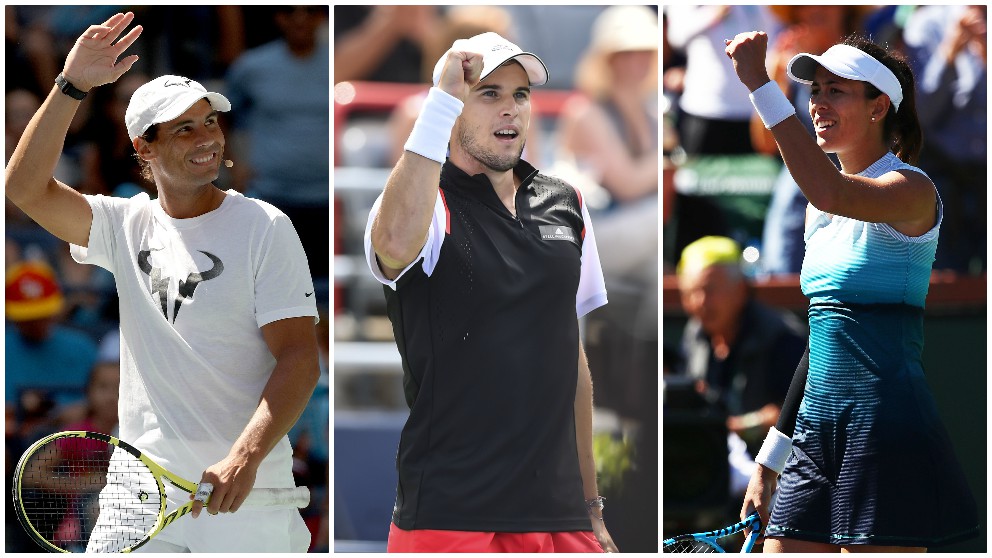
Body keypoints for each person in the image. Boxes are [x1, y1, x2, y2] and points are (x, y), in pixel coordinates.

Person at [4, 12, 320, 553]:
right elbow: (24, 189)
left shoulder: (267, 226)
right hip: (138, 492)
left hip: (248, 493)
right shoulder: (124, 223)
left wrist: (242, 460)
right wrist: (71, 85)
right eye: (183, 129)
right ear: (143, 149)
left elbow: (299, 359)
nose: (206, 140)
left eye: (210, 123)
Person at [725, 30, 980, 551]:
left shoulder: (911, 190)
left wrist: (758, 84)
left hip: (887, 429)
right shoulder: (820, 209)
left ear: (878, 106)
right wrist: (770, 458)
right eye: (813, 90)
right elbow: (821, 345)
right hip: (816, 430)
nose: (817, 102)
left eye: (835, 90)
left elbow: (830, 188)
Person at [364, 32, 617, 553]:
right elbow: (390, 244)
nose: (511, 109)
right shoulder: (422, 203)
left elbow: (572, 361)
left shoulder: (565, 201)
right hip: (449, 516)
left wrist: (591, 509)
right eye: (489, 94)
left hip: (562, 515)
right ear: (453, 106)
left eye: (520, 95)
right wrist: (440, 103)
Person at [676, 236, 806, 457]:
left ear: (741, 290)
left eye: (710, 290)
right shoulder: (694, 334)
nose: (700, 302)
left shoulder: (781, 338)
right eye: (690, 293)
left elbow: (801, 412)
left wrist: (734, 428)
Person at [225, 5, 329, 279]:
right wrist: (233, 164)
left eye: (310, 11)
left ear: (322, 17)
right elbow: (221, 116)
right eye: (289, 12)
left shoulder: (341, 62)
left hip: (328, 198)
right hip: (269, 195)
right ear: (278, 18)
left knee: (326, 294)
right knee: (271, 284)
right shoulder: (251, 66)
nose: (299, 19)